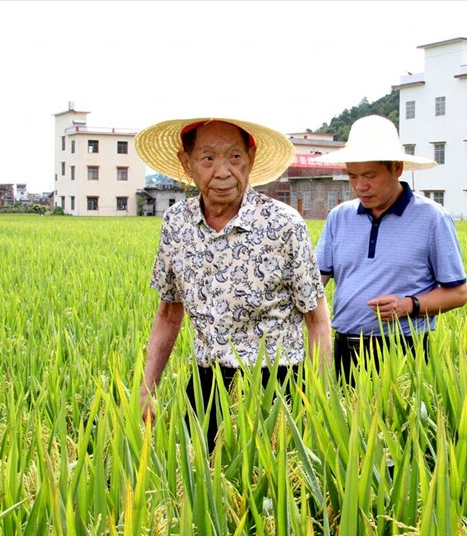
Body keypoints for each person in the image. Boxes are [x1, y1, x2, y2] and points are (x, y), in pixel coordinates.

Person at [135, 116, 332, 450]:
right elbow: (168, 313)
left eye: (235, 157)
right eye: (208, 158)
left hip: (278, 386)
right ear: (186, 163)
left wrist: (321, 401)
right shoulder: (176, 223)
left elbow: (317, 318)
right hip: (207, 384)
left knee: (273, 476)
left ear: (251, 159)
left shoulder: (284, 225)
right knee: (193, 469)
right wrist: (147, 387)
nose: (223, 171)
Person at [312, 115, 467, 381]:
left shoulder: (432, 218)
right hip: (344, 347)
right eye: (352, 176)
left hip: (404, 349)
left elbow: (458, 293)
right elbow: (316, 281)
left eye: (370, 175)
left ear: (397, 168)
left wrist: (409, 305)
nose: (360, 186)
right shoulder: (339, 217)